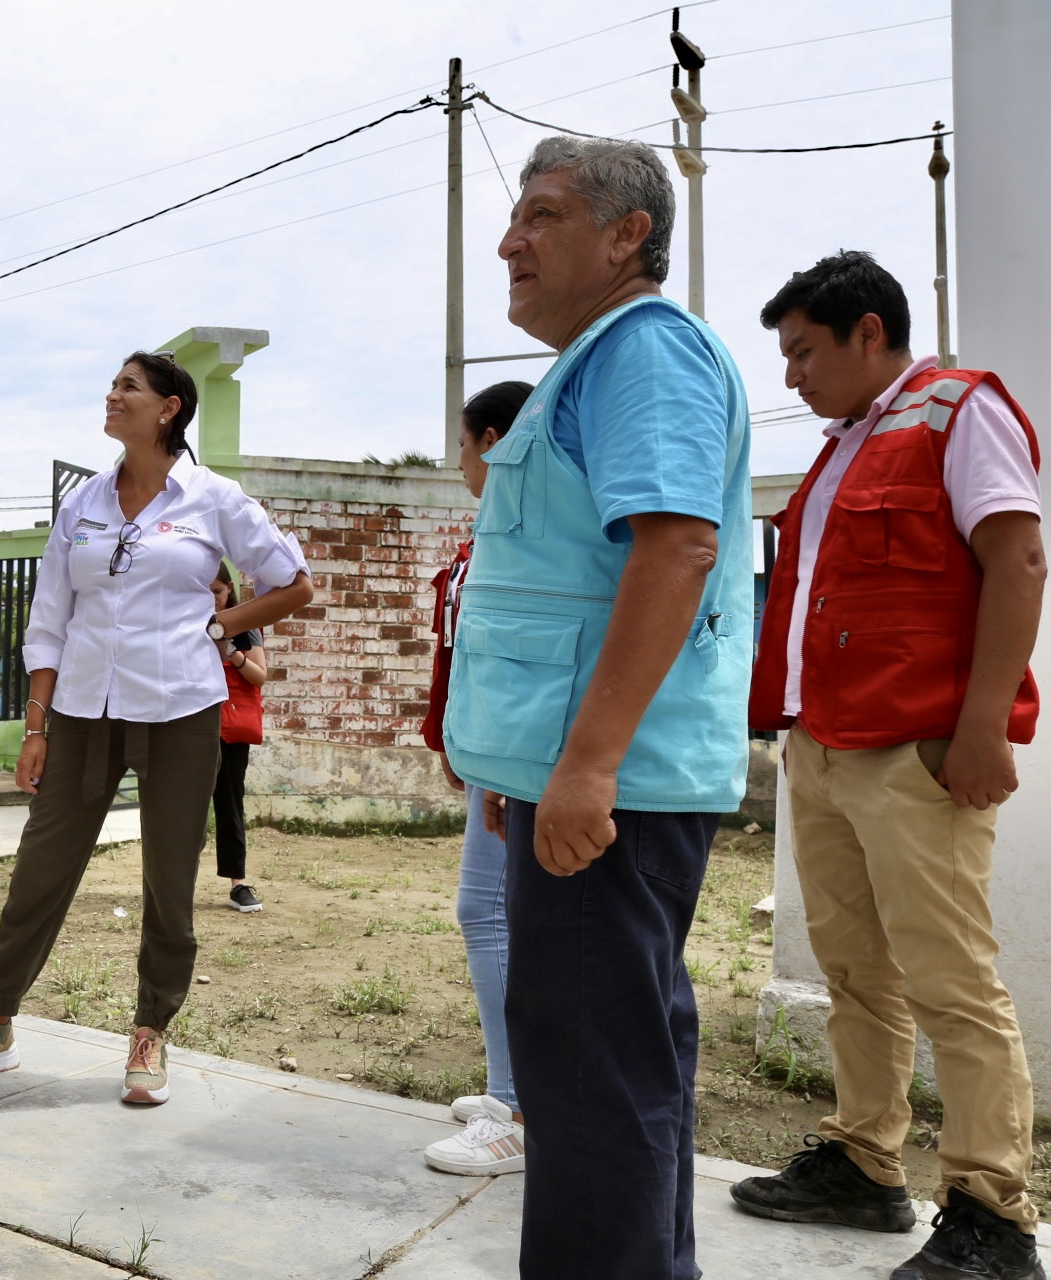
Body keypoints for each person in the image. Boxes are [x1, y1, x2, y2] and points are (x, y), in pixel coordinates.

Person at [445, 137, 752, 1280]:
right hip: (580, 780)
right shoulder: (598, 362)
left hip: (612, 788)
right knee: (612, 1066)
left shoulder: (646, 352)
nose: (510, 241)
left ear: (626, 234)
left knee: (592, 1079)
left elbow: (675, 550)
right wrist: (525, 773)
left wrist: (584, 766)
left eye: (543, 215)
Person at [732, 252, 1045, 1280]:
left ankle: (991, 1211)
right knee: (856, 968)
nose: (792, 376)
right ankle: (866, 1162)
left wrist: (985, 723)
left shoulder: (957, 413)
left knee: (950, 977)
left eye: (804, 351)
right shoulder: (844, 449)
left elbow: (1019, 558)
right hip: (825, 743)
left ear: (869, 331)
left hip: (915, 750)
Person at [0, 349, 314, 1105]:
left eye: (128, 387)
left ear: (169, 408)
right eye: (112, 385)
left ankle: (150, 1032)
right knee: (42, 866)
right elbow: (50, 619)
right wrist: (36, 723)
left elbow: (293, 582)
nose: (112, 396)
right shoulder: (83, 506)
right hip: (79, 711)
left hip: (180, 710)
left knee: (169, 877)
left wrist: (220, 624)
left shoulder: (213, 498)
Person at [414, 379, 532, 1179]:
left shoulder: (527, 533)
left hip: (514, 757)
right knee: (494, 913)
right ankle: (514, 1089)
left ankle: (518, 1103)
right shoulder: (496, 528)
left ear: (492, 441)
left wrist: (495, 761)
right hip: (492, 756)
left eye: (462, 444)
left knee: (487, 913)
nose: (458, 461)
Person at [208, 564, 267, 913]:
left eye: (217, 591)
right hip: (189, 724)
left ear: (230, 589)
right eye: (206, 591)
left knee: (230, 802)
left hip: (230, 727)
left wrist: (233, 653)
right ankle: (175, 881)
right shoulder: (184, 622)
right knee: (183, 806)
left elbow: (260, 677)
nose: (213, 598)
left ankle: (238, 884)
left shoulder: (245, 626)